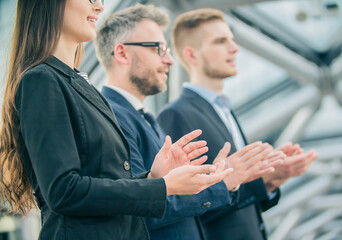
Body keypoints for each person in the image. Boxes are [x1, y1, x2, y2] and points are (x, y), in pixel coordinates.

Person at [0, 2, 233, 240]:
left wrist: (153, 177)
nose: (100, 6)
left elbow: (104, 182)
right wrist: (163, 187)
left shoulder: (77, 83)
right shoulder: (41, 80)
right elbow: (63, 191)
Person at [95, 4, 286, 240]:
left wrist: (215, 178)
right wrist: (222, 182)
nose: (170, 60)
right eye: (158, 49)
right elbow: (135, 210)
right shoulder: (112, 118)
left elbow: (169, 199)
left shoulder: (144, 118)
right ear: (122, 53)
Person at [158, 8, 318, 240]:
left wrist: (270, 178)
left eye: (232, 40)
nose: (234, 48)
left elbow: (237, 204)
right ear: (192, 55)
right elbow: (190, 207)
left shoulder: (225, 110)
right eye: (221, 41)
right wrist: (261, 180)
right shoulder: (176, 115)